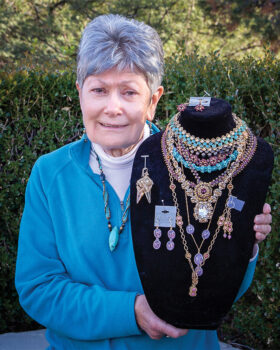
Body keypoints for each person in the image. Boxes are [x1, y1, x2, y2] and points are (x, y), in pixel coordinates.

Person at [15, 14, 272, 350]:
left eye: (129, 92)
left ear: (153, 101)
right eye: (99, 90)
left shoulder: (207, 171)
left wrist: (244, 244)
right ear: (80, 95)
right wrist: (131, 312)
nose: (112, 107)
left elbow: (218, 291)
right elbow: (39, 289)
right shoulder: (50, 175)